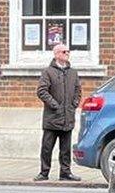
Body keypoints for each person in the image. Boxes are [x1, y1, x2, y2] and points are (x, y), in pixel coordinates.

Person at [35, 43, 82, 182]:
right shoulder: (48, 72)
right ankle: (44, 172)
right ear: (56, 54)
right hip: (52, 117)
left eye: (68, 51)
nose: (67, 53)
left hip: (68, 116)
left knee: (65, 148)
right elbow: (41, 91)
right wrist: (55, 105)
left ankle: (65, 173)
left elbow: (78, 91)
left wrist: (74, 105)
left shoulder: (73, 72)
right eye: (63, 51)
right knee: (47, 147)